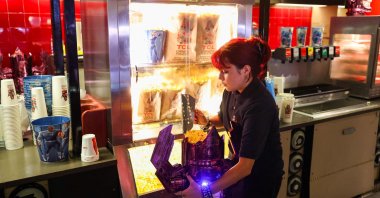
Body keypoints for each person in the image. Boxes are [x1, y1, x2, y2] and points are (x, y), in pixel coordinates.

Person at [176, 37, 284, 197]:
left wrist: (204, 192)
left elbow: (245, 167)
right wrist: (205, 120)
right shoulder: (231, 91)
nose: (220, 77)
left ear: (246, 70)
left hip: (259, 179)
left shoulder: (259, 105)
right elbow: (224, 117)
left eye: (226, 71)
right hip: (237, 168)